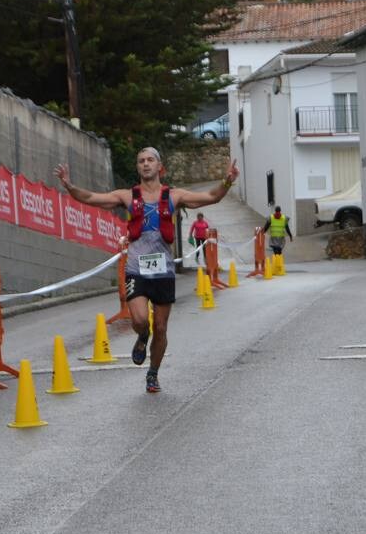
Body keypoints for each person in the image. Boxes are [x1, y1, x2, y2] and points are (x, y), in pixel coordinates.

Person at [55, 149, 239, 393]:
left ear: (159, 166)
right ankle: (142, 336)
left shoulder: (174, 196)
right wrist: (69, 186)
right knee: (141, 319)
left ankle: (153, 373)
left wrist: (227, 180)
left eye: (150, 160)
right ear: (138, 167)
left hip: (163, 271)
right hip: (136, 269)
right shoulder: (127, 196)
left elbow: (212, 196)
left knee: (161, 328)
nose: (145, 164)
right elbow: (90, 198)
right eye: (141, 161)